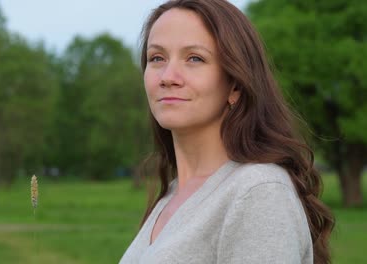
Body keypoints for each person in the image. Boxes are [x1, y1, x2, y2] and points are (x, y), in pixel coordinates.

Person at [119, 0, 334, 263]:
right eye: (157, 58)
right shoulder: (173, 193)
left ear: (235, 85)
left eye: (194, 58)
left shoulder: (258, 191)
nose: (167, 76)